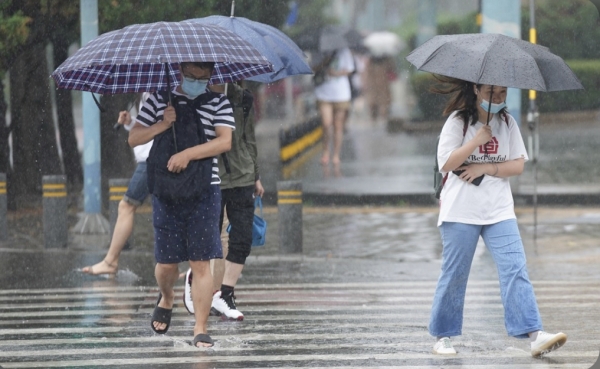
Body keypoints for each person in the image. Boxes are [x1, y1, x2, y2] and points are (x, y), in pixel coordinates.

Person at [430, 77, 567, 357]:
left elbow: (517, 165)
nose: (497, 97)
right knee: (455, 275)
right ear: (476, 90)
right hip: (461, 210)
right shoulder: (458, 122)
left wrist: (486, 169)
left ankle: (535, 334)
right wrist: (477, 141)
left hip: (499, 210)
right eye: (491, 91)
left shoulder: (507, 123)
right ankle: (443, 336)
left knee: (515, 268)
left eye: (502, 92)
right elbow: (446, 162)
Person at [128, 62, 234, 348]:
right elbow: (134, 137)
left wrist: (188, 153)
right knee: (166, 264)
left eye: (203, 78)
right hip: (166, 190)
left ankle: (200, 328)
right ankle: (167, 296)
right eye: (191, 77)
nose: (197, 82)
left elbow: (224, 142)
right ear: (179, 71)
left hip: (204, 190)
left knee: (200, 262)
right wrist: (163, 124)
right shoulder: (159, 98)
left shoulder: (218, 101)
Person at [183, 81, 264, 321]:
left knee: (242, 239)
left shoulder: (243, 98)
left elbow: (249, 140)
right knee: (209, 238)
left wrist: (256, 175)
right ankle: (195, 279)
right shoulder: (194, 98)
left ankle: (226, 294)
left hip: (242, 176)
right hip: (211, 177)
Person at [81, 93, 152, 276]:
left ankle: (111, 261)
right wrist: (130, 121)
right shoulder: (148, 92)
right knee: (170, 210)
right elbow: (151, 126)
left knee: (127, 205)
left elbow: (157, 128)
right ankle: (184, 266)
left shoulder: (159, 92)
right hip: (151, 159)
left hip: (151, 160)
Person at [313, 47, 355, 166]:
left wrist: (336, 73)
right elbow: (312, 68)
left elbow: (350, 69)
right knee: (326, 124)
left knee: (338, 125)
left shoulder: (344, 51)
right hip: (323, 92)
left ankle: (336, 154)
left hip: (341, 93)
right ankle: (326, 151)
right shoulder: (319, 51)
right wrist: (324, 63)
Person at [364, 55, 396, 123]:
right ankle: (382, 118)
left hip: (376, 85)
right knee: (381, 103)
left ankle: (377, 119)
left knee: (376, 103)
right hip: (380, 85)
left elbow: (367, 72)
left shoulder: (372, 61)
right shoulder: (385, 61)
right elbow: (392, 69)